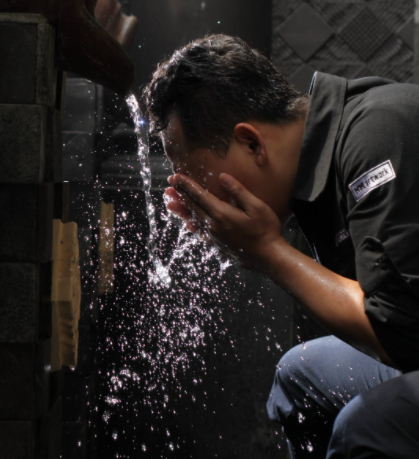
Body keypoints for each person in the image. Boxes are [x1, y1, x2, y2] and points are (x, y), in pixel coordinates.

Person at [144, 34, 419, 458]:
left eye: (199, 181)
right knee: (301, 374)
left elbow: (402, 334)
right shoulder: (313, 179)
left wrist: (268, 251)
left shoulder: (376, 133)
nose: (200, 202)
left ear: (251, 142)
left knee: (368, 426)